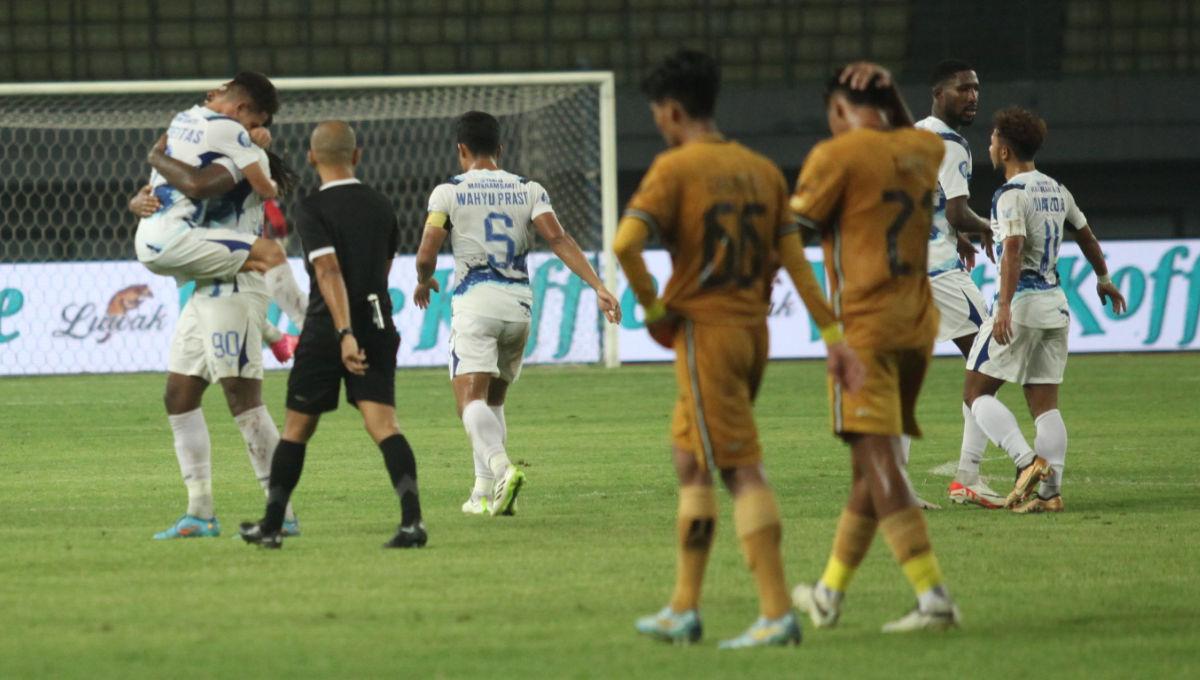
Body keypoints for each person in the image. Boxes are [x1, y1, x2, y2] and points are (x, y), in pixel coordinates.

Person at [614, 50, 863, 649]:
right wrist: (832, 335)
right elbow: (795, 263)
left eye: (658, 115)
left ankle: (777, 612)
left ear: (673, 112)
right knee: (690, 459)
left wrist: (652, 309)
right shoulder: (761, 170)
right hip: (754, 334)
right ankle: (683, 608)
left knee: (738, 467)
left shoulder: (675, 169)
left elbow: (625, 244)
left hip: (706, 334)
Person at [790, 63, 961, 633]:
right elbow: (910, 135)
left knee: (878, 459)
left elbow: (791, 230)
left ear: (838, 111)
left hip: (864, 329)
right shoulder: (921, 149)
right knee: (871, 464)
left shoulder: (836, 156)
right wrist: (893, 96)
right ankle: (829, 594)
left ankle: (932, 596)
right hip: (916, 325)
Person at [412, 111, 621, 517]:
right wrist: (598, 286)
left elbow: (426, 252)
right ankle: (483, 494)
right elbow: (558, 238)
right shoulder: (529, 189)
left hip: (476, 303)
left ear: (461, 150)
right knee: (493, 401)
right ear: (500, 150)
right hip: (519, 308)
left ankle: (503, 469)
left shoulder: (448, 192)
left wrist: (423, 279)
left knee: (467, 401)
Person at [239, 120, 425, 549]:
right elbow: (381, 270)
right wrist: (364, 321)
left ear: (311, 157)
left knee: (296, 429)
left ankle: (271, 525)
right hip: (378, 322)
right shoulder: (381, 205)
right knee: (384, 425)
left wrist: (344, 332)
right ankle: (413, 522)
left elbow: (327, 270)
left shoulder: (312, 208)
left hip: (329, 328)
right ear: (356, 156)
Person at [127, 130, 303, 540]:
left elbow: (191, 184)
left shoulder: (233, 167)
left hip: (237, 287)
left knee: (244, 403)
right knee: (179, 394)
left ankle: (283, 513)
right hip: (206, 290)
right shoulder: (210, 165)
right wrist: (140, 203)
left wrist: (157, 155)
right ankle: (200, 512)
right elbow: (171, 195)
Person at [964, 106, 1126, 513]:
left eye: (992, 139)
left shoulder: (1010, 194)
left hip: (1022, 306)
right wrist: (1104, 278)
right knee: (1045, 406)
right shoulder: (1057, 189)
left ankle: (1025, 462)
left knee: (975, 392)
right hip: (1056, 307)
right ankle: (1050, 494)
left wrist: (1003, 307)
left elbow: (1013, 249)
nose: (989, 144)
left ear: (1004, 150)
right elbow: (1086, 235)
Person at [133, 72, 308, 327]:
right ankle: (310, 326)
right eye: (252, 124)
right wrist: (255, 152)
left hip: (148, 239)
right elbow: (265, 189)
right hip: (178, 238)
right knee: (269, 254)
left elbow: (161, 171)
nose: (252, 130)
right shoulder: (232, 133)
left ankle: (274, 334)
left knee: (189, 363)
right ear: (241, 108)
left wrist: (151, 162)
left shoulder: (183, 119)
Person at [911, 59, 1005, 509]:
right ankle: (968, 474)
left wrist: (957, 232)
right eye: (962, 88)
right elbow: (954, 210)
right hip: (938, 275)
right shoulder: (950, 144)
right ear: (938, 92)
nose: (972, 96)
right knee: (991, 361)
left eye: (976, 89)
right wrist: (988, 227)